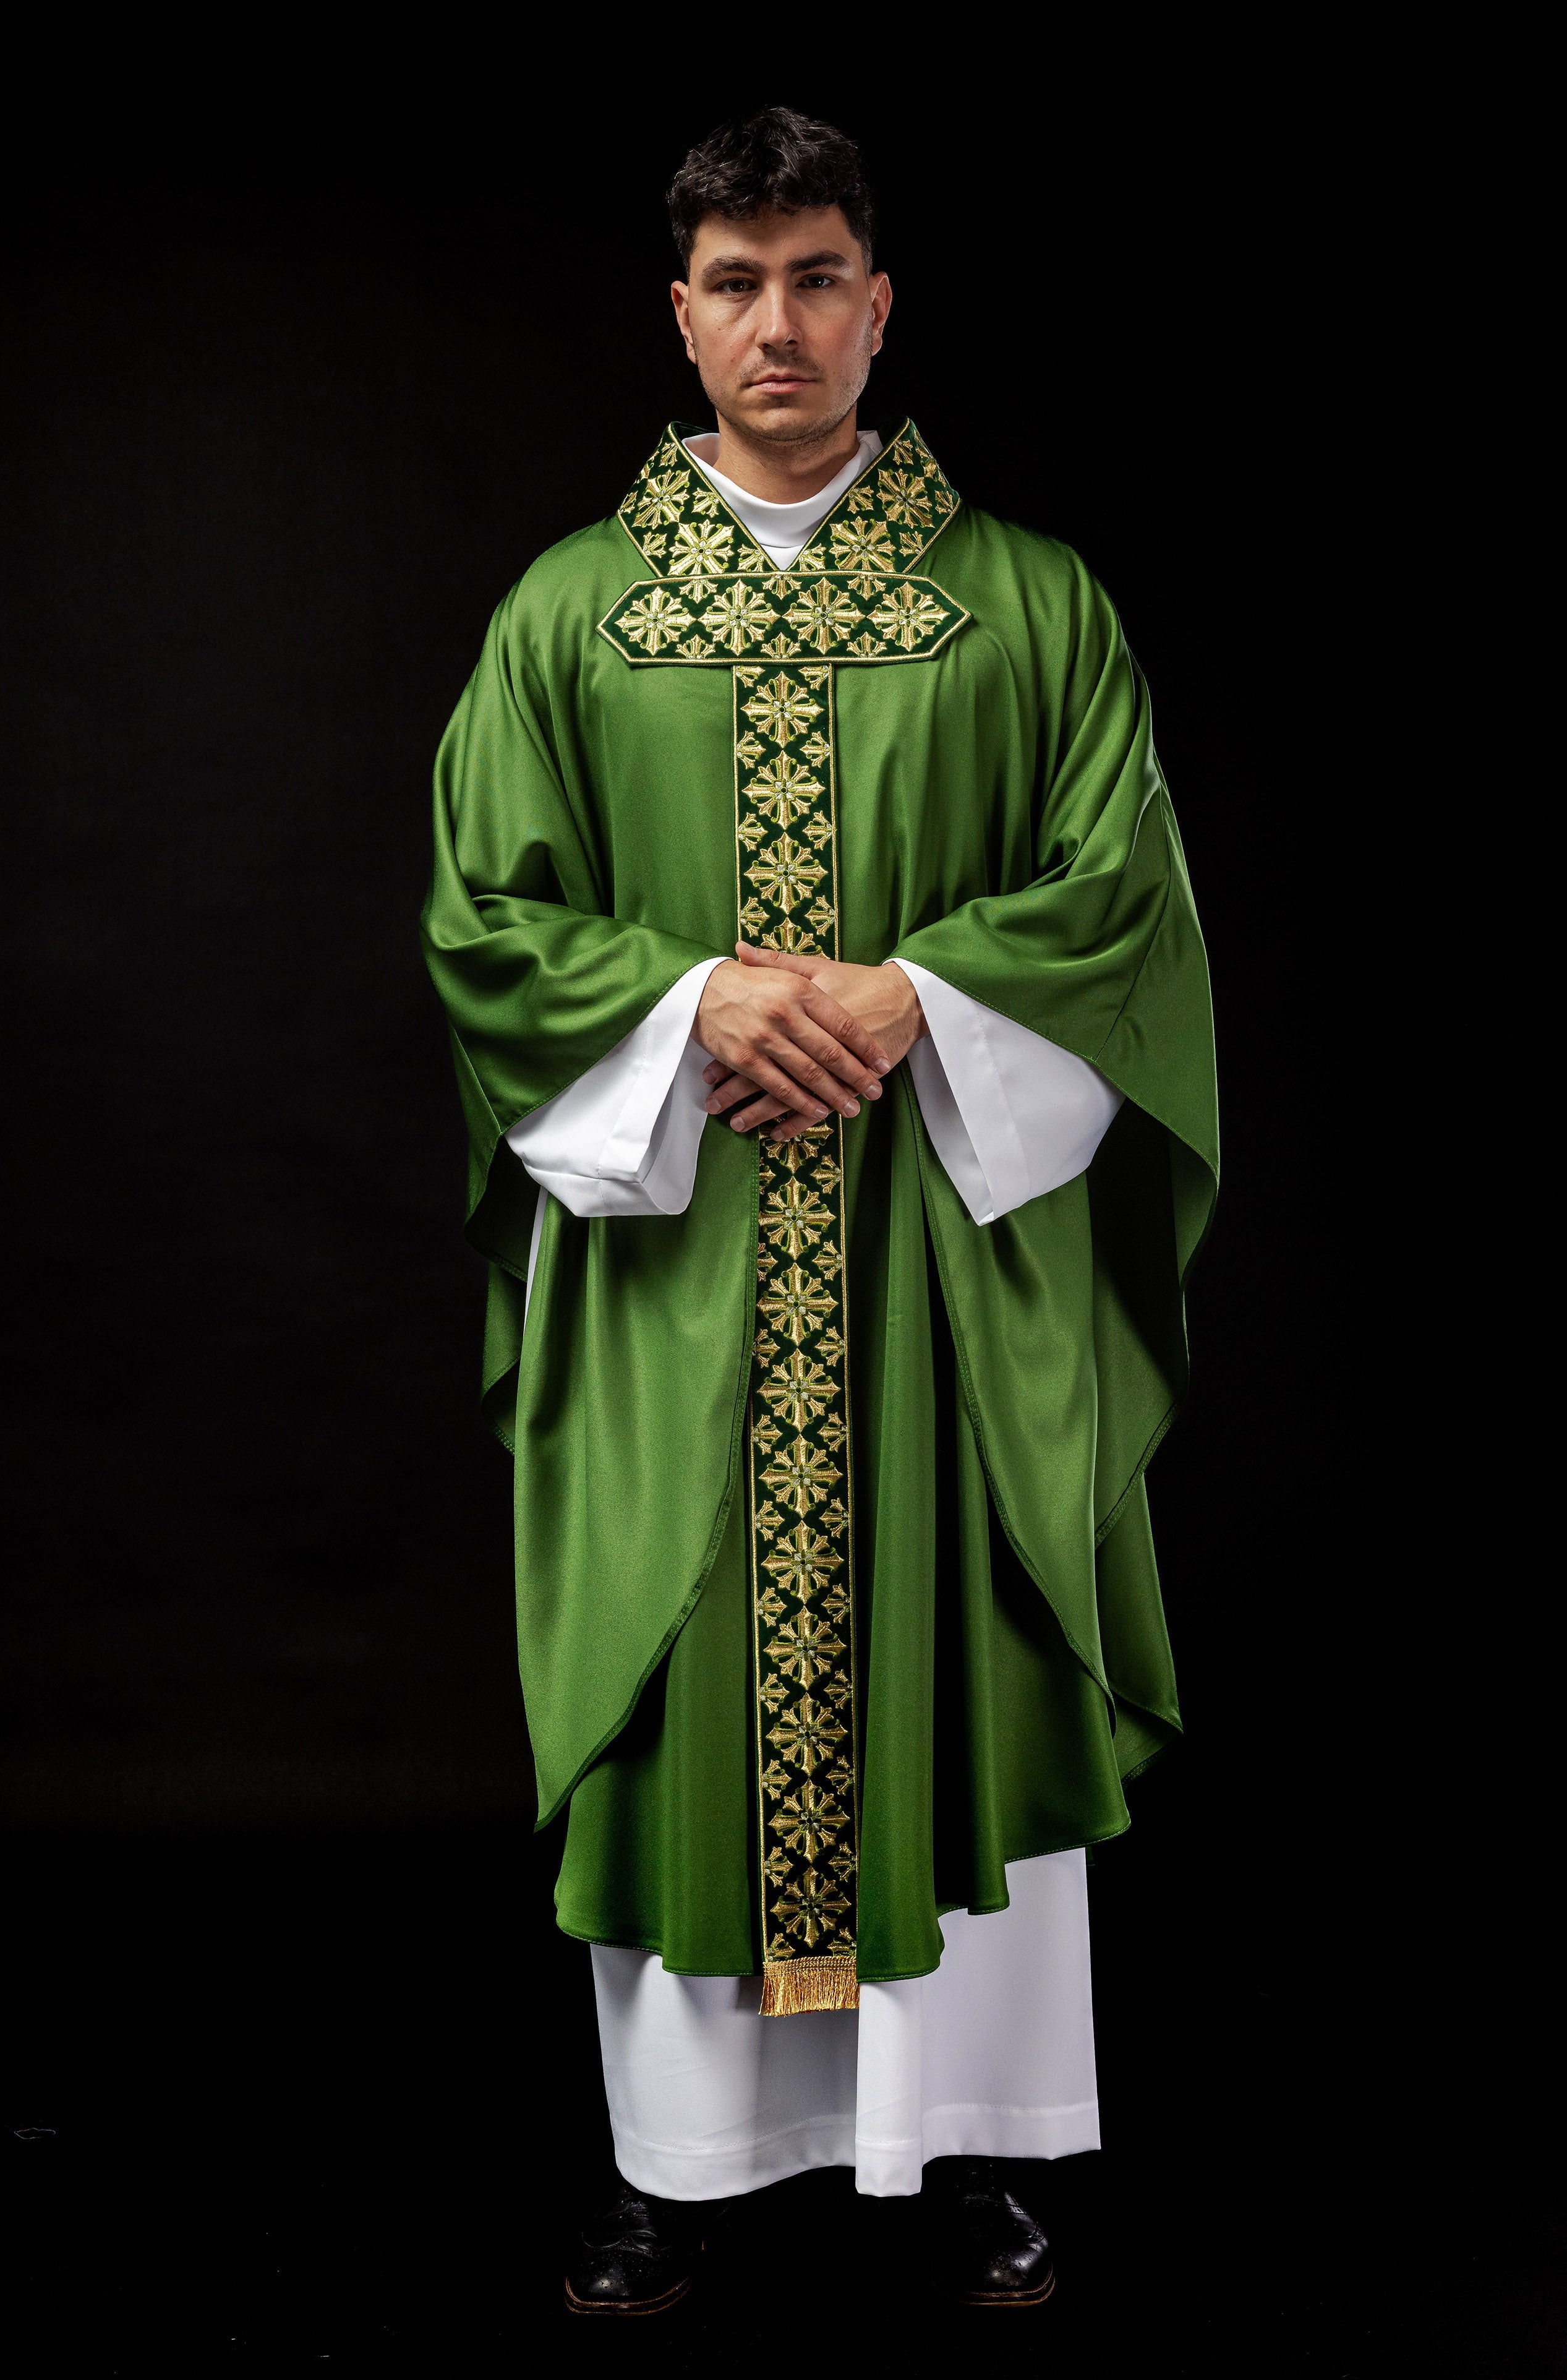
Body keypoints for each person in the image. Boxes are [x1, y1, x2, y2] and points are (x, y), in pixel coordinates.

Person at [422, 105, 1217, 2314]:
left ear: (883, 303)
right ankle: (679, 2163)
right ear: (678, 314)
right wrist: (705, 1001)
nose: (781, 322)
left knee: (957, 1653)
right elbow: (489, 925)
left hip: (952, 1265)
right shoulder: (571, 619)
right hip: (685, 1269)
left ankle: (970, 2150)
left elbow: (1118, 901)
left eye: (820, 276)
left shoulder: (1028, 603)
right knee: (691, 1670)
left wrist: (896, 998)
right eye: (737, 283)